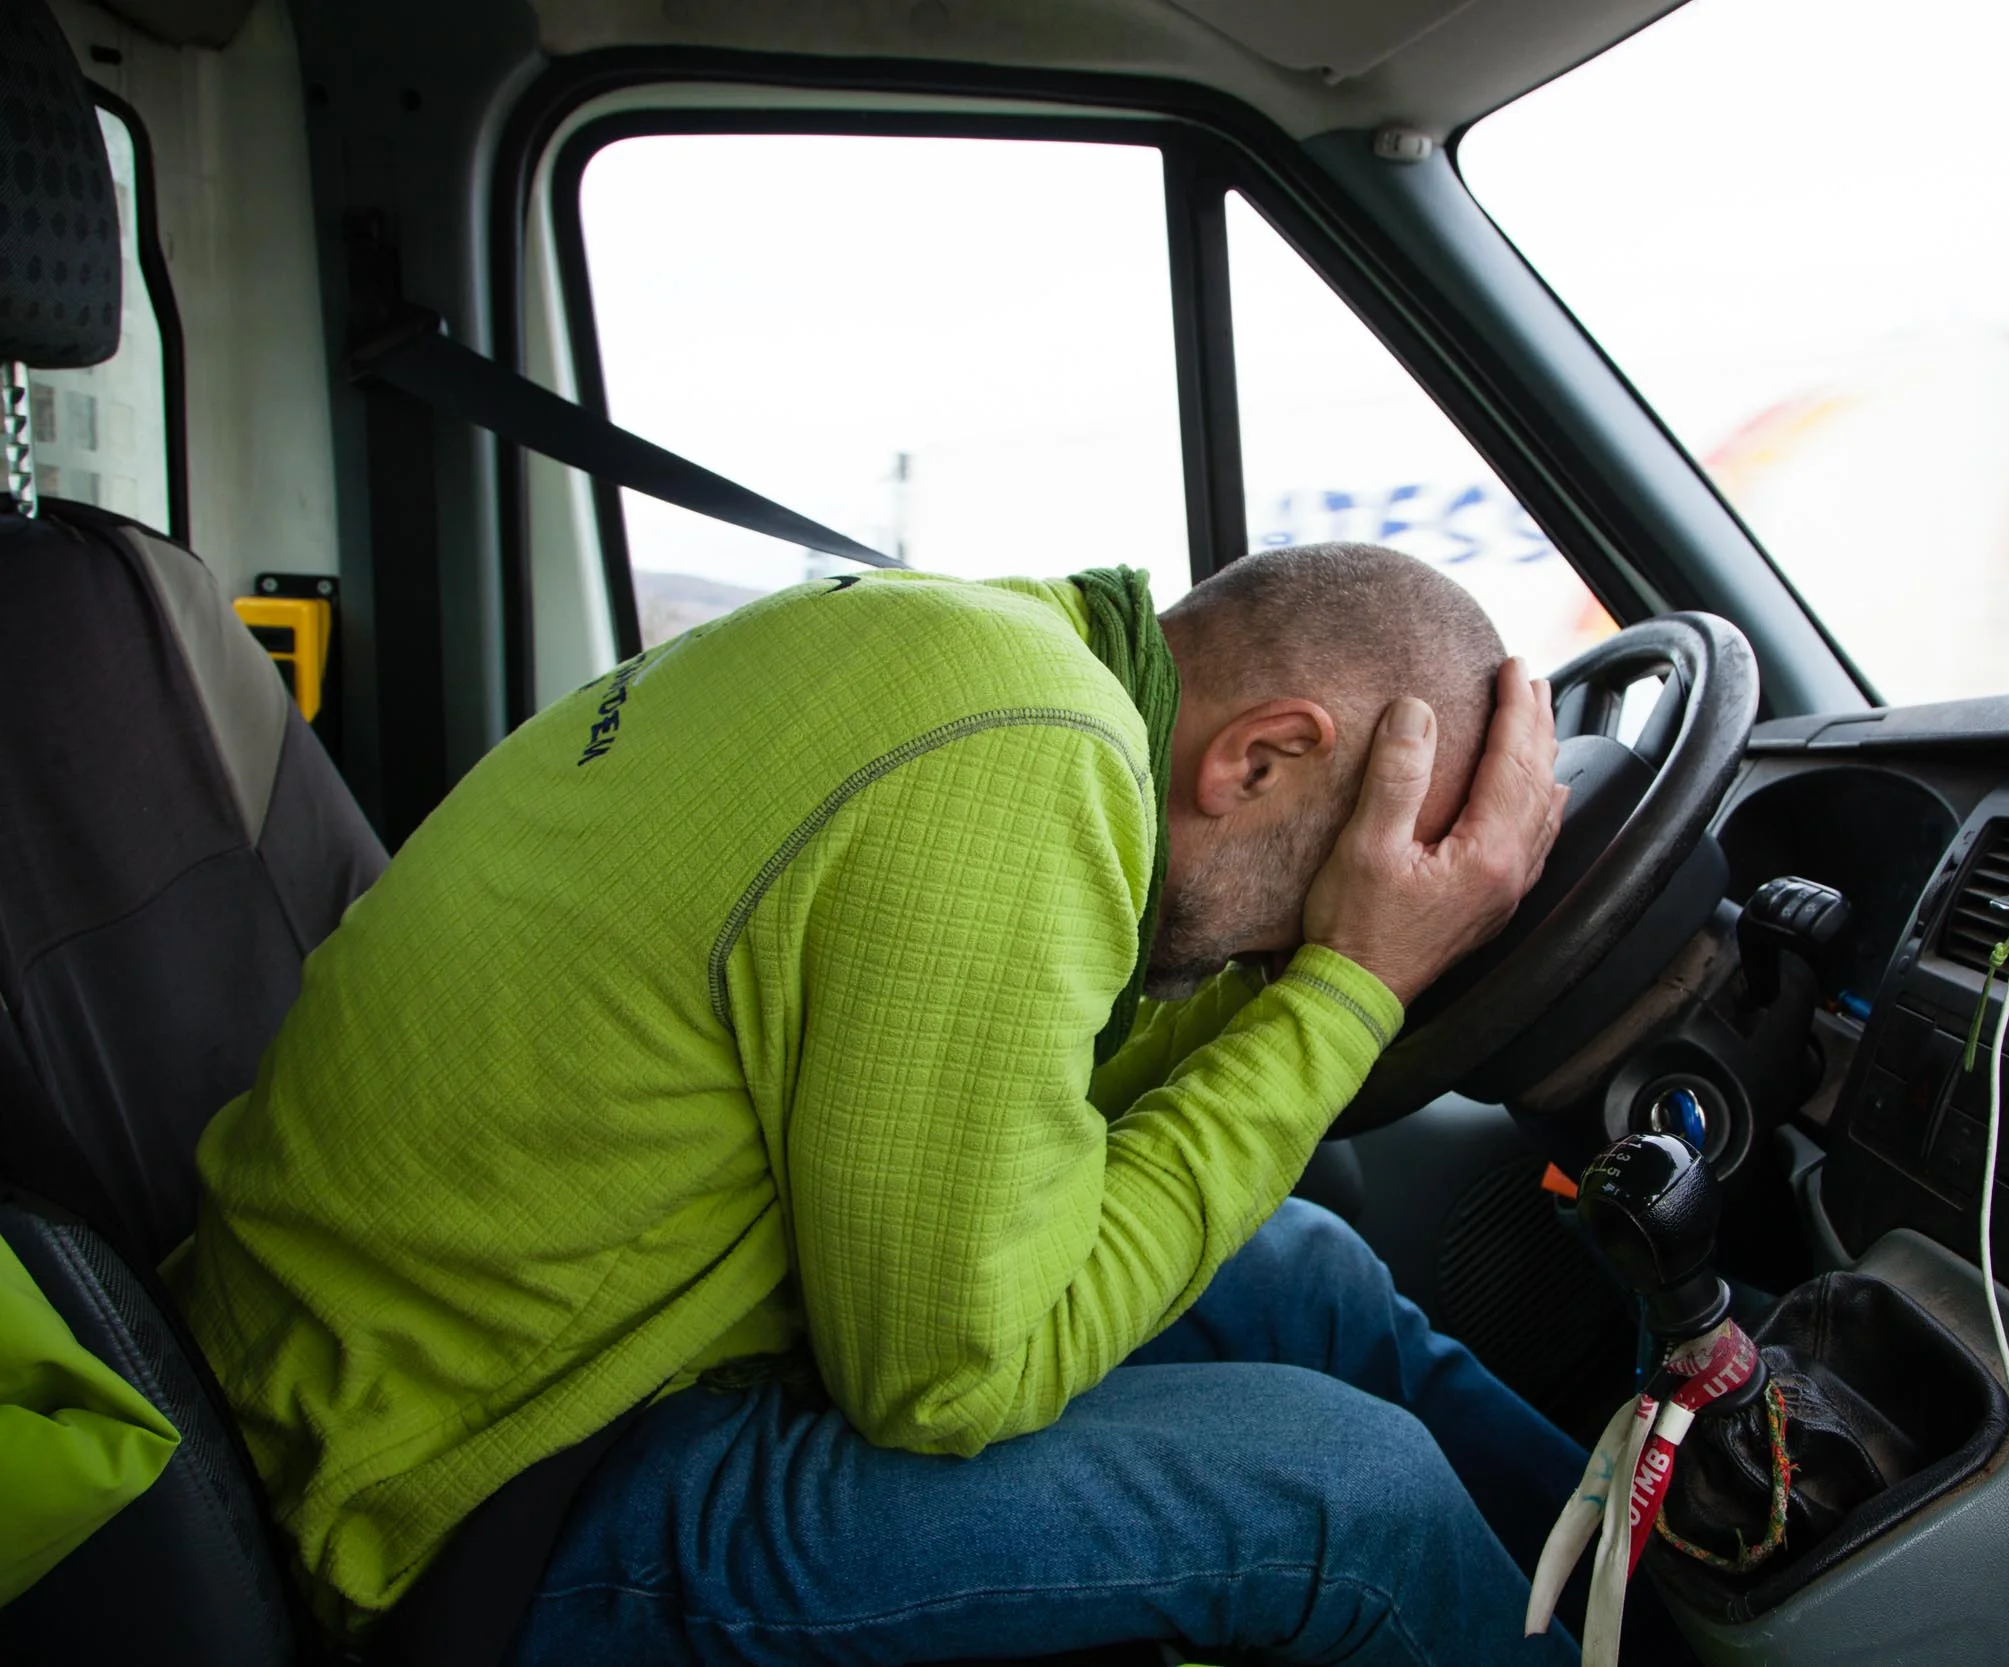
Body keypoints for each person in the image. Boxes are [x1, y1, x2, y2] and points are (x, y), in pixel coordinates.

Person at [169, 542, 1591, 1664]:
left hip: (536, 1356)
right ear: (1261, 758)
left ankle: (1638, 1602)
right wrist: (1350, 987)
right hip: (467, 1499)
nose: (1299, 947)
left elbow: (1045, 1083)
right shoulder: (1027, 761)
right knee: (1357, 1493)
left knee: (1305, 1273)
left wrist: (1339, 958)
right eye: (1350, 874)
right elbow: (950, 1375)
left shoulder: (1007, 651)